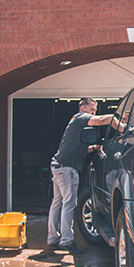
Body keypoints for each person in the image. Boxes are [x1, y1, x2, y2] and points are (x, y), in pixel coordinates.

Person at [48, 98, 123, 253]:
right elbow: (106, 119)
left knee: (57, 203)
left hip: (58, 165)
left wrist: (96, 147)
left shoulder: (75, 123)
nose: (94, 113)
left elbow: (80, 149)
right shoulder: (80, 117)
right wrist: (126, 129)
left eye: (94, 111)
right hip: (67, 169)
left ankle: (52, 238)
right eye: (91, 110)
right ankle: (67, 241)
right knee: (69, 204)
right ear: (82, 108)